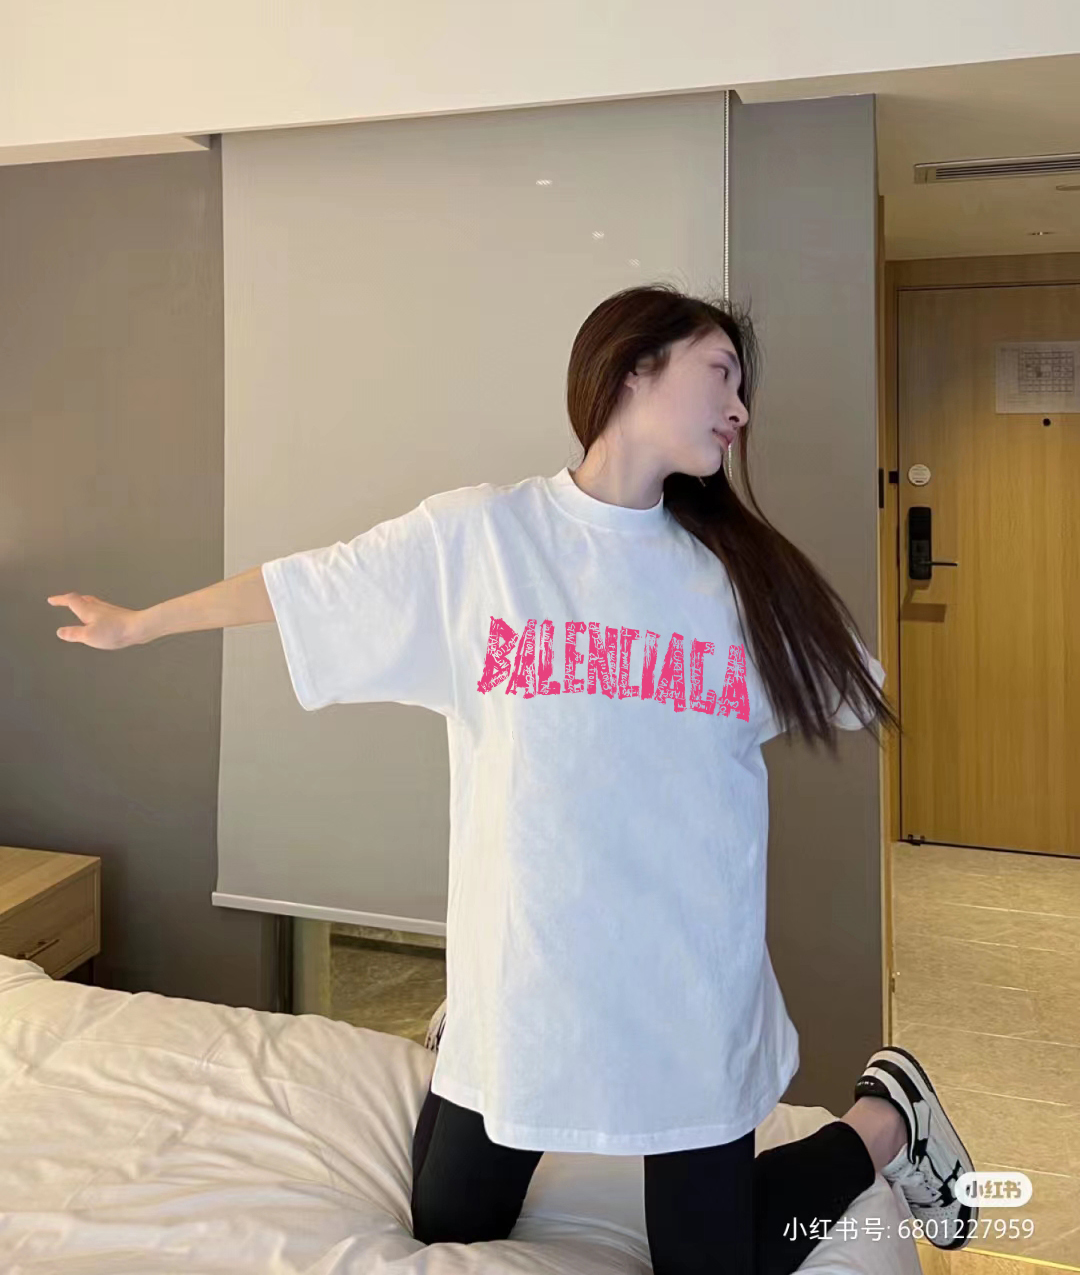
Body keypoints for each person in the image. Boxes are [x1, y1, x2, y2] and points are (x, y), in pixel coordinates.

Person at [48, 284, 976, 1274]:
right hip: (528, 977)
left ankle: (886, 1118)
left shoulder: (732, 580)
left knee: (711, 1263)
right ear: (635, 367)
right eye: (721, 375)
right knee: (448, 1223)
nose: (740, 408)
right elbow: (314, 583)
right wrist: (140, 625)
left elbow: (853, 689)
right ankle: (463, 1034)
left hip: (685, 988)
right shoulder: (483, 539)